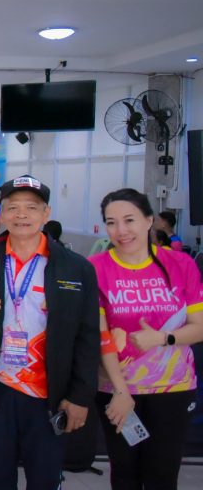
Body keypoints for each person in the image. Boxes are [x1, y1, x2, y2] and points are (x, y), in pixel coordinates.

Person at [0, 175, 99, 490]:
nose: (21, 215)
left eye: (31, 208)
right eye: (13, 207)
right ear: (2, 214)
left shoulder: (76, 268)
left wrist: (80, 396)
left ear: (46, 214)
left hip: (50, 393)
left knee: (44, 478)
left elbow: (88, 337)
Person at [90, 188, 203, 490]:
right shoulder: (96, 268)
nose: (121, 230)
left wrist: (163, 338)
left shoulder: (180, 264)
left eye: (129, 220)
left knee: (162, 475)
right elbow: (100, 336)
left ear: (149, 220)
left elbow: (199, 327)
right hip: (116, 389)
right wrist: (120, 390)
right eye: (111, 222)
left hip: (172, 388)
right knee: (124, 473)